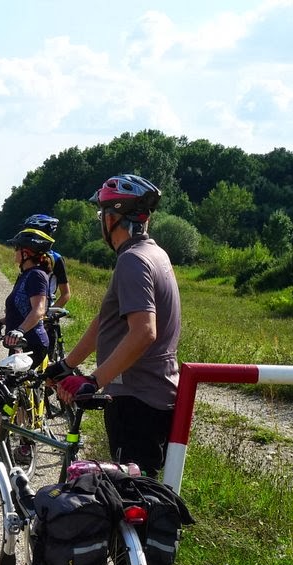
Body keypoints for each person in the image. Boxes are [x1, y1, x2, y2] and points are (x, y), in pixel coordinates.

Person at [48, 174, 181, 478]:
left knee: (131, 500)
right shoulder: (154, 254)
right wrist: (68, 365)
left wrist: (92, 380)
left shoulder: (132, 261)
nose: (101, 221)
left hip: (136, 401)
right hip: (154, 395)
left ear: (113, 218)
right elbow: (106, 321)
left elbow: (145, 331)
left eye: (103, 214)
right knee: (139, 494)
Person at [0, 226, 54, 369]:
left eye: (16, 249)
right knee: (11, 386)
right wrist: (1, 322)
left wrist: (20, 331)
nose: (14, 252)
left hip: (31, 343)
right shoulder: (25, 275)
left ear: (25, 253)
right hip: (19, 342)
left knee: (10, 386)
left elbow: (39, 310)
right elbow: (23, 310)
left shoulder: (36, 275)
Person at [21, 214, 70, 307]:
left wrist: (49, 314)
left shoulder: (56, 259)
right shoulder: (26, 256)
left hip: (44, 308)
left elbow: (66, 294)